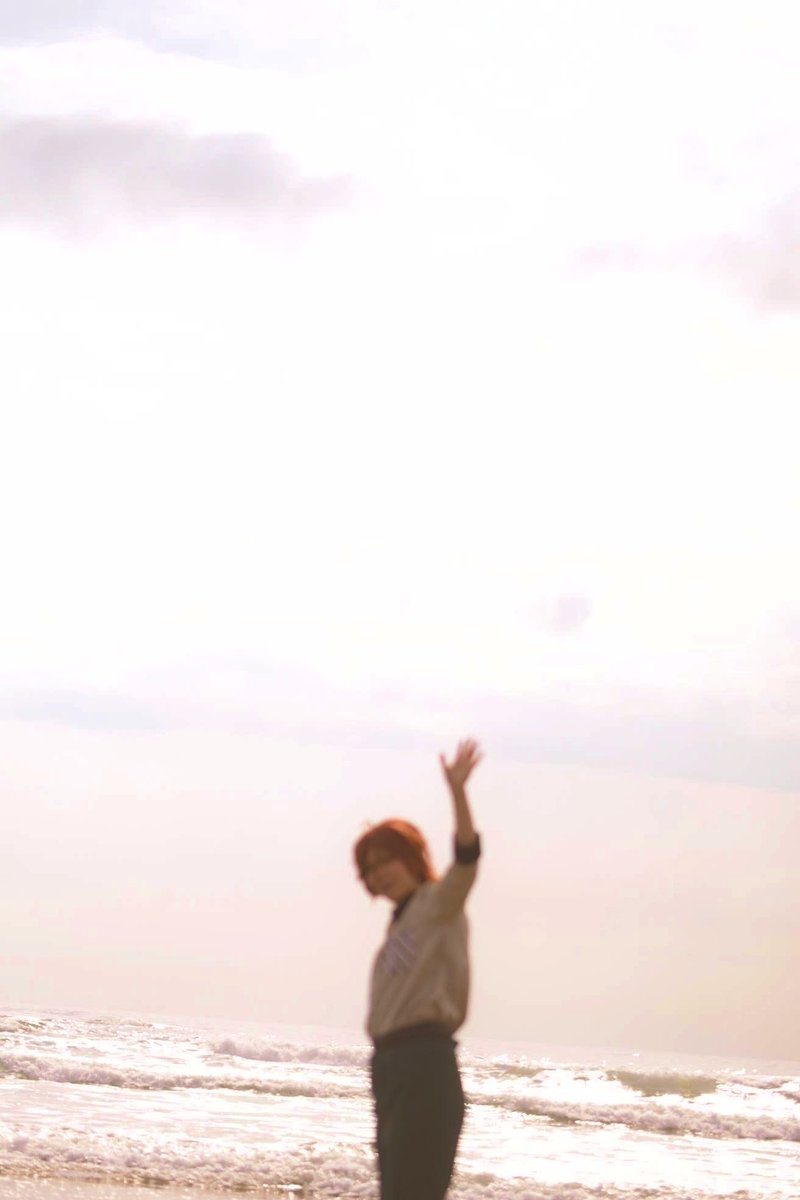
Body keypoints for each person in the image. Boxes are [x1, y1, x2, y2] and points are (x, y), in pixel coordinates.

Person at [353, 738, 482, 1200]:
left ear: (410, 855)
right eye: (369, 869)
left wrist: (458, 792)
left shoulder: (439, 903)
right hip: (390, 1066)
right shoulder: (397, 926)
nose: (379, 873)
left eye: (385, 859)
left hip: (425, 1062)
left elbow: (466, 860)